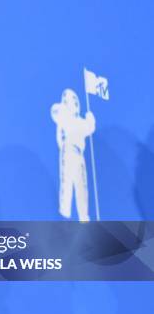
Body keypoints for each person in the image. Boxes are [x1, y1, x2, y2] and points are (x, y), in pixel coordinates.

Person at [51, 89, 96, 222]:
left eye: (76, 100)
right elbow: (56, 112)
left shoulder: (79, 121)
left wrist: (90, 119)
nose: (75, 103)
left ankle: (84, 215)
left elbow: (88, 128)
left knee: (81, 184)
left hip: (79, 153)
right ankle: (64, 212)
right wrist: (65, 107)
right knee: (67, 181)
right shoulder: (63, 115)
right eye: (72, 100)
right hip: (69, 150)